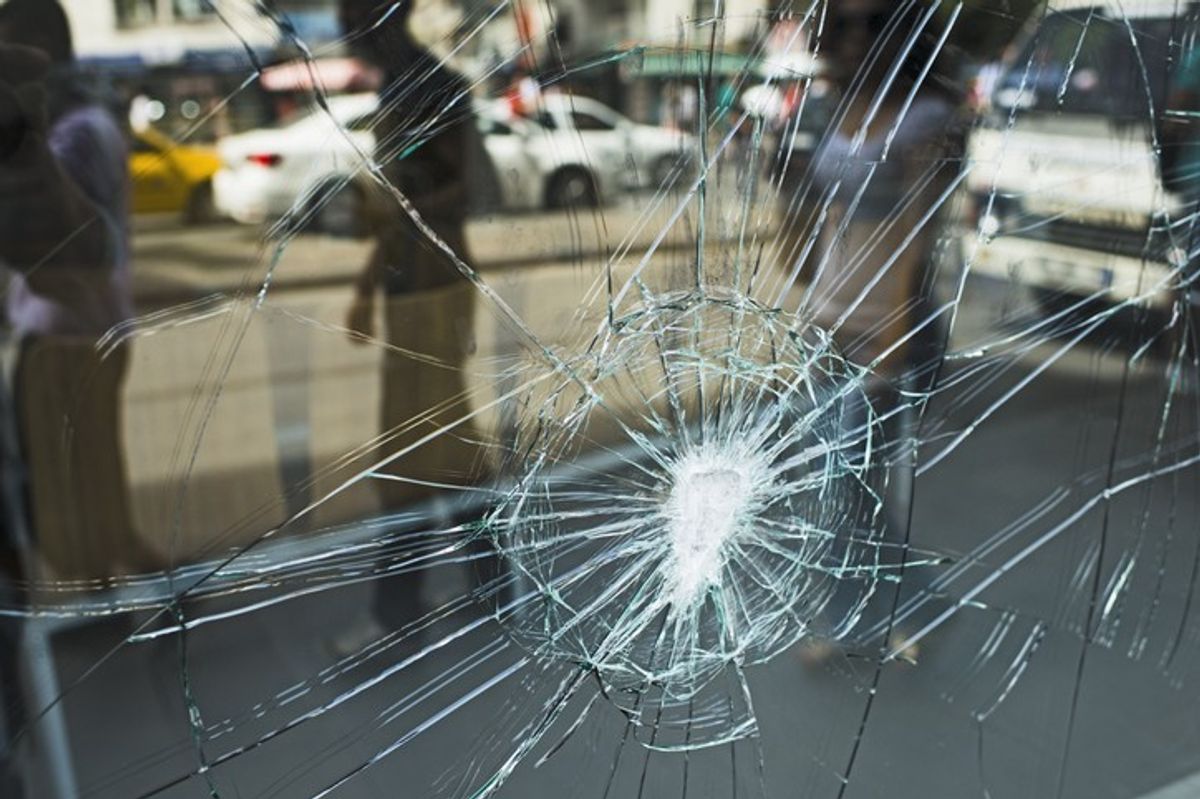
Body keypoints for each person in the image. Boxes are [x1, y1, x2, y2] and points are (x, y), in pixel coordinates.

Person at [799, 0, 964, 660]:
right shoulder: (837, 113)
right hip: (832, 318)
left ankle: (891, 610)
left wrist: (890, 340)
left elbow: (916, 237)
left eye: (865, 27)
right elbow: (829, 220)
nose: (847, 40)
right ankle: (891, 608)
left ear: (897, 37)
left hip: (892, 329)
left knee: (849, 484)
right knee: (840, 485)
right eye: (839, 27)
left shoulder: (928, 119)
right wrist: (813, 311)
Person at [336, 0, 497, 653]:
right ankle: (490, 591)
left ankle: (399, 609)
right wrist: (367, 287)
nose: (348, 32)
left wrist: (390, 209)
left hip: (436, 288)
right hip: (415, 285)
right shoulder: (401, 84)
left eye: (355, 16)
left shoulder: (437, 87)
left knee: (415, 453)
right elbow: (403, 204)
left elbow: (461, 195)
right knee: (441, 451)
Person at [0, 0, 147, 581]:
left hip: (70, 335)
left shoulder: (73, 131)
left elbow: (73, 247)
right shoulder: (80, 122)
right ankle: (127, 588)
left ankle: (129, 592)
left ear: (42, 55)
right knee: (88, 484)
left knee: (78, 488)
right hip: (76, 329)